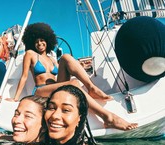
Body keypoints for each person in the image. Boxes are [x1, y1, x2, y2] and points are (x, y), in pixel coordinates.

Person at [8, 22, 138, 131]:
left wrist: (79, 65)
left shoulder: (52, 59)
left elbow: (68, 69)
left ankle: (91, 87)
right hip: (40, 90)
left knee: (65, 58)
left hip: (55, 88)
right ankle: (108, 117)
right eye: (36, 41)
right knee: (74, 84)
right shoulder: (30, 54)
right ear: (32, 43)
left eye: (42, 40)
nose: (39, 43)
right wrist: (15, 98)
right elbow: (24, 76)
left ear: (48, 41)